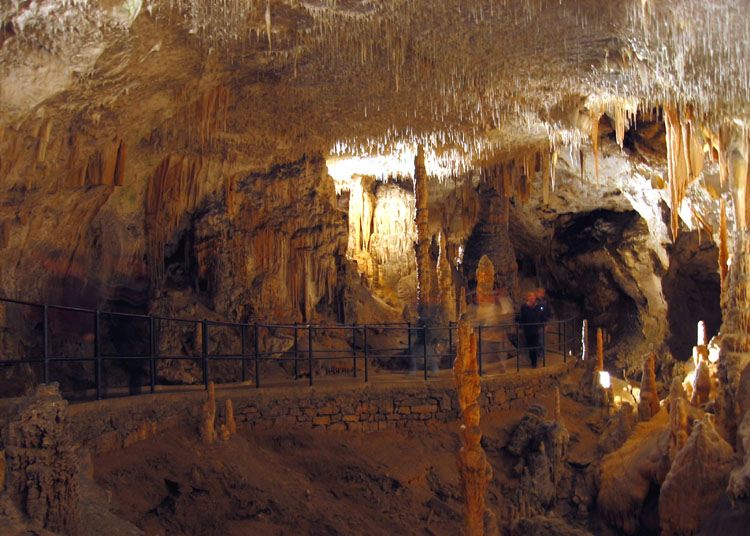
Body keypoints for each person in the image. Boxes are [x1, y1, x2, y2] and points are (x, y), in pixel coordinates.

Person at [519, 291, 542, 368]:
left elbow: (541, 317)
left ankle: (534, 362)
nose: (531, 298)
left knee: (534, 345)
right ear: (527, 298)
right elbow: (522, 318)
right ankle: (532, 360)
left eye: (533, 296)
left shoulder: (538, 306)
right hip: (528, 329)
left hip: (535, 329)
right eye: (530, 296)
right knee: (530, 345)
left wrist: (541, 326)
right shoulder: (524, 307)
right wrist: (521, 327)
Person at [534, 287, 552, 366]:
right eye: (539, 292)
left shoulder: (545, 302)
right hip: (535, 323)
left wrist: (547, 324)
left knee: (541, 340)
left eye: (541, 292)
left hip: (542, 323)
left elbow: (548, 313)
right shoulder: (535, 302)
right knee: (536, 340)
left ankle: (541, 355)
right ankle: (538, 354)